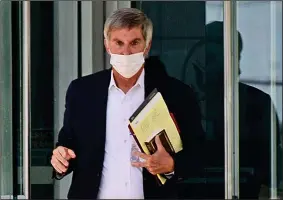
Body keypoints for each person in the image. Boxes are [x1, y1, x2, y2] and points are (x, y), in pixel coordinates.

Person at [51, 8, 205, 199]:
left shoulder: (176, 93)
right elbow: (68, 143)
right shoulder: (82, 91)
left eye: (134, 43)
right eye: (118, 43)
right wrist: (61, 157)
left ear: (147, 46)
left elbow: (199, 154)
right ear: (107, 45)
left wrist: (172, 164)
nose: (125, 52)